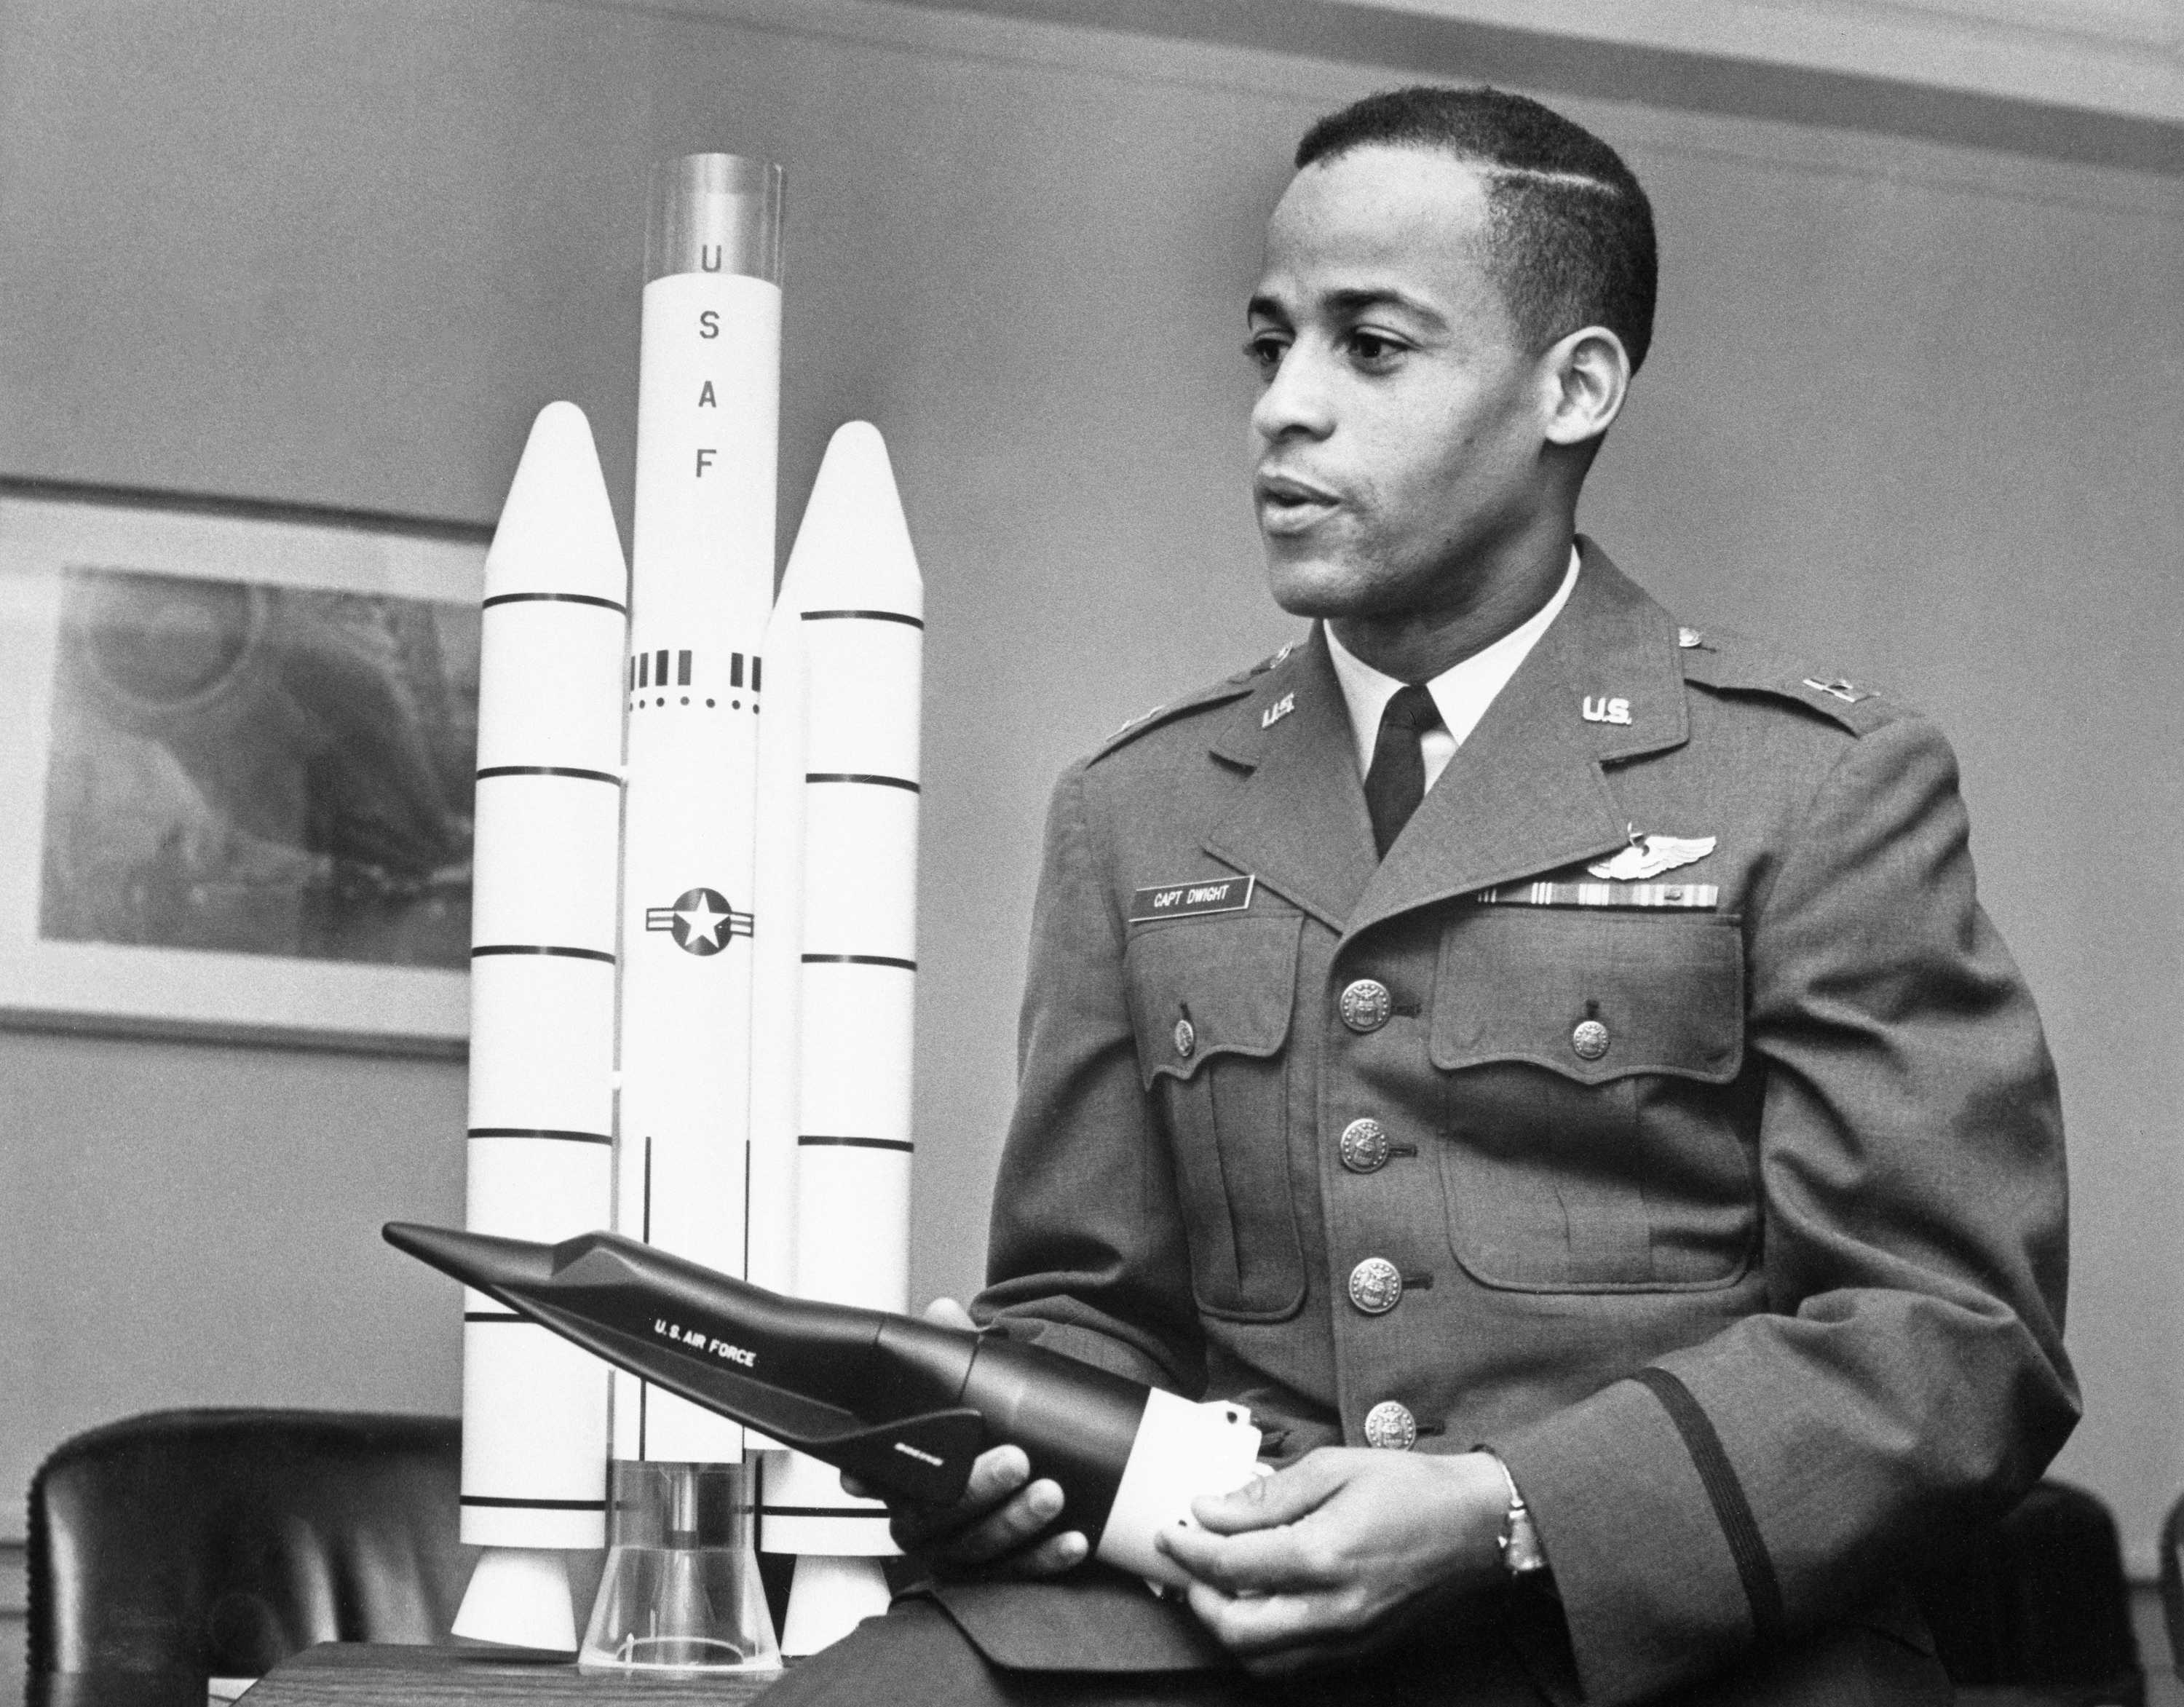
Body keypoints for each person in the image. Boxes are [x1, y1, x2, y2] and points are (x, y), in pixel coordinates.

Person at [767, 84, 2076, 1706]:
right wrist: (1008, 1438)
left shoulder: (1815, 788)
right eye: (1270, 345)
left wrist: (1504, 1513)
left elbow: (1950, 1346)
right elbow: (1091, 1305)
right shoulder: (1140, 807)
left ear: (1571, 389)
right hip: (1232, 1618)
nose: (1283, 410)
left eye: (1369, 347)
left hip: (1668, 1644)